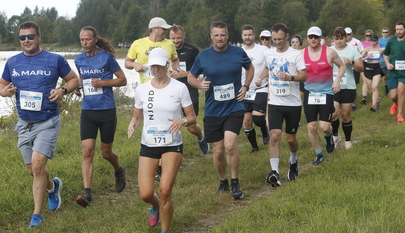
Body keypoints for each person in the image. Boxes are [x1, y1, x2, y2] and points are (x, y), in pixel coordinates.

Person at [0, 21, 79, 227]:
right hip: (24, 123)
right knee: (32, 170)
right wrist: (4, 91)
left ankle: (36, 215)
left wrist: (62, 91)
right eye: (22, 37)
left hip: (47, 121)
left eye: (30, 36)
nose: (26, 40)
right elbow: (2, 83)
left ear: (39, 37)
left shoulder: (54, 59)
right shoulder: (13, 62)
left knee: (37, 166)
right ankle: (53, 187)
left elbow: (74, 80)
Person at [127, 47, 196, 233]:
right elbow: (137, 116)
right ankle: (155, 206)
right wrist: (132, 124)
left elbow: (192, 117)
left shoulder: (179, 88)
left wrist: (183, 120)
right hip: (149, 144)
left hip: (172, 145)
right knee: (146, 194)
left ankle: (165, 230)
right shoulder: (142, 89)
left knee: (165, 191)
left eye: (159, 65)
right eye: (152, 66)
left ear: (166, 64)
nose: (155, 69)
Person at [188, 21, 254, 199]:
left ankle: (235, 182)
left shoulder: (238, 52)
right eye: (216, 35)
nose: (219, 38)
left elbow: (250, 67)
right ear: (211, 36)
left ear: (227, 36)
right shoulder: (203, 56)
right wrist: (199, 85)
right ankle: (223, 181)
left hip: (234, 106)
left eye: (222, 35)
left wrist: (246, 86)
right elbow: (190, 77)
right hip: (212, 109)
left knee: (230, 145)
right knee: (217, 151)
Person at [74, 26, 128, 207]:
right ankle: (87, 192)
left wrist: (103, 83)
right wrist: (78, 88)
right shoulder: (79, 59)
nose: (84, 43)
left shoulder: (107, 58)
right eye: (82, 40)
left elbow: (123, 80)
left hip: (106, 110)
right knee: (87, 150)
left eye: (87, 39)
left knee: (106, 153)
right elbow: (83, 79)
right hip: (88, 111)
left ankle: (118, 170)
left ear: (95, 39)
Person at [257, 23, 306, 187]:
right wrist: (261, 78)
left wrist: (290, 78)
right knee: (275, 136)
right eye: (274, 39)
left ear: (287, 36)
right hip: (275, 102)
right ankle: (275, 172)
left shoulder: (296, 54)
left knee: (290, 138)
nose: (277, 42)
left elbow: (303, 76)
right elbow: (266, 68)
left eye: (280, 39)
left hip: (292, 103)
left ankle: (293, 161)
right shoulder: (268, 53)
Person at [303, 26, 346, 165]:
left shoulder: (330, 52)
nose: (313, 39)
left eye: (316, 37)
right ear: (307, 38)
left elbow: (342, 66)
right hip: (309, 93)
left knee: (325, 127)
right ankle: (319, 154)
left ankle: (329, 137)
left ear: (321, 38)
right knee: (312, 127)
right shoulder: (301, 53)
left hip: (326, 93)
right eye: (311, 37)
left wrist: (337, 80)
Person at [169, 24, 209, 155]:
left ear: (184, 36)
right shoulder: (165, 49)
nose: (176, 41)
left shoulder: (192, 50)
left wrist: (184, 74)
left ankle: (201, 137)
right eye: (173, 38)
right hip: (169, 90)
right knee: (167, 123)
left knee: (191, 128)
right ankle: (170, 151)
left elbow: (202, 69)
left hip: (188, 89)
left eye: (179, 38)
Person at [330, 27, 364, 150]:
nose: (339, 41)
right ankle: (335, 135)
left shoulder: (352, 50)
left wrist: (351, 62)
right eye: (336, 39)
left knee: (345, 115)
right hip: (333, 86)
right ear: (333, 39)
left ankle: (348, 140)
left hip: (348, 86)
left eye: (342, 38)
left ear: (346, 38)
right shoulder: (330, 50)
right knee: (333, 114)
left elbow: (361, 68)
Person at [240, 24, 270, 153]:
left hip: (260, 88)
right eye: (245, 35)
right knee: (247, 122)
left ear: (254, 35)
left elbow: (268, 67)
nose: (247, 37)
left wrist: (262, 78)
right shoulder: (238, 51)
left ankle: (264, 128)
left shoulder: (263, 50)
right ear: (242, 36)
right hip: (244, 90)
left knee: (257, 119)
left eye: (250, 35)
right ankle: (254, 147)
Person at [125, 17, 180, 84]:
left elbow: (175, 60)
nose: (166, 31)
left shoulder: (169, 43)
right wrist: (134, 65)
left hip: (166, 85)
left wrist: (176, 70)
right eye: (164, 29)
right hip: (146, 87)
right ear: (154, 29)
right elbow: (127, 63)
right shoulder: (138, 43)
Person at [383, 22, 405, 122]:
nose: (399, 31)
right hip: (392, 71)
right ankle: (395, 103)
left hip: (403, 72)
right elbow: (385, 54)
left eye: (401, 29)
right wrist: (387, 63)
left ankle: (399, 115)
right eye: (397, 29)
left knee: (401, 92)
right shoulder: (391, 41)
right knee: (393, 96)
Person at [360, 34, 383, 111]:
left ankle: (373, 106)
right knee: (371, 89)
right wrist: (367, 57)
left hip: (377, 68)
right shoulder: (367, 49)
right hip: (368, 68)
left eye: (374, 41)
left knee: (374, 87)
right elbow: (359, 58)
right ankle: (378, 99)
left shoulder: (380, 49)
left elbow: (388, 53)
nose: (373, 43)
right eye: (371, 41)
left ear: (377, 41)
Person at [345, 27, 364, 111]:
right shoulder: (342, 42)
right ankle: (344, 103)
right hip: (345, 68)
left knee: (353, 86)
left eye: (349, 34)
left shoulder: (357, 42)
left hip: (354, 67)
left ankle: (353, 104)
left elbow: (362, 51)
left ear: (352, 34)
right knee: (344, 86)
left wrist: (358, 59)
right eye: (346, 34)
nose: (347, 36)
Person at [360, 29, 374, 105]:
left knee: (371, 81)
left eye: (370, 35)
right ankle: (364, 97)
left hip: (372, 63)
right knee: (365, 81)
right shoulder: (362, 44)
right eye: (367, 35)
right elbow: (360, 53)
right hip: (364, 63)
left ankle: (373, 94)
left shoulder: (374, 44)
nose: (368, 37)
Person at [379, 27, 391, 95]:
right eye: (383, 32)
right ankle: (386, 89)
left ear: (388, 33)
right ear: (382, 33)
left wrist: (384, 49)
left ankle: (390, 88)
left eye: (386, 32)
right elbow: (379, 49)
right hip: (382, 60)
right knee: (384, 76)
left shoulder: (390, 40)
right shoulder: (379, 40)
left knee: (391, 75)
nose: (385, 33)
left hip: (390, 59)